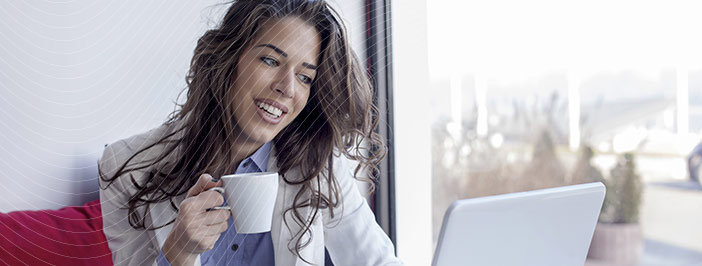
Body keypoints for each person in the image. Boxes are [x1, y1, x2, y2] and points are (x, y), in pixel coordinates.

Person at [98, 1, 403, 265]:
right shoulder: (128, 168)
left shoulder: (320, 166)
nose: (287, 87)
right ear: (229, 59)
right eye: (270, 61)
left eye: (305, 77)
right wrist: (178, 254)